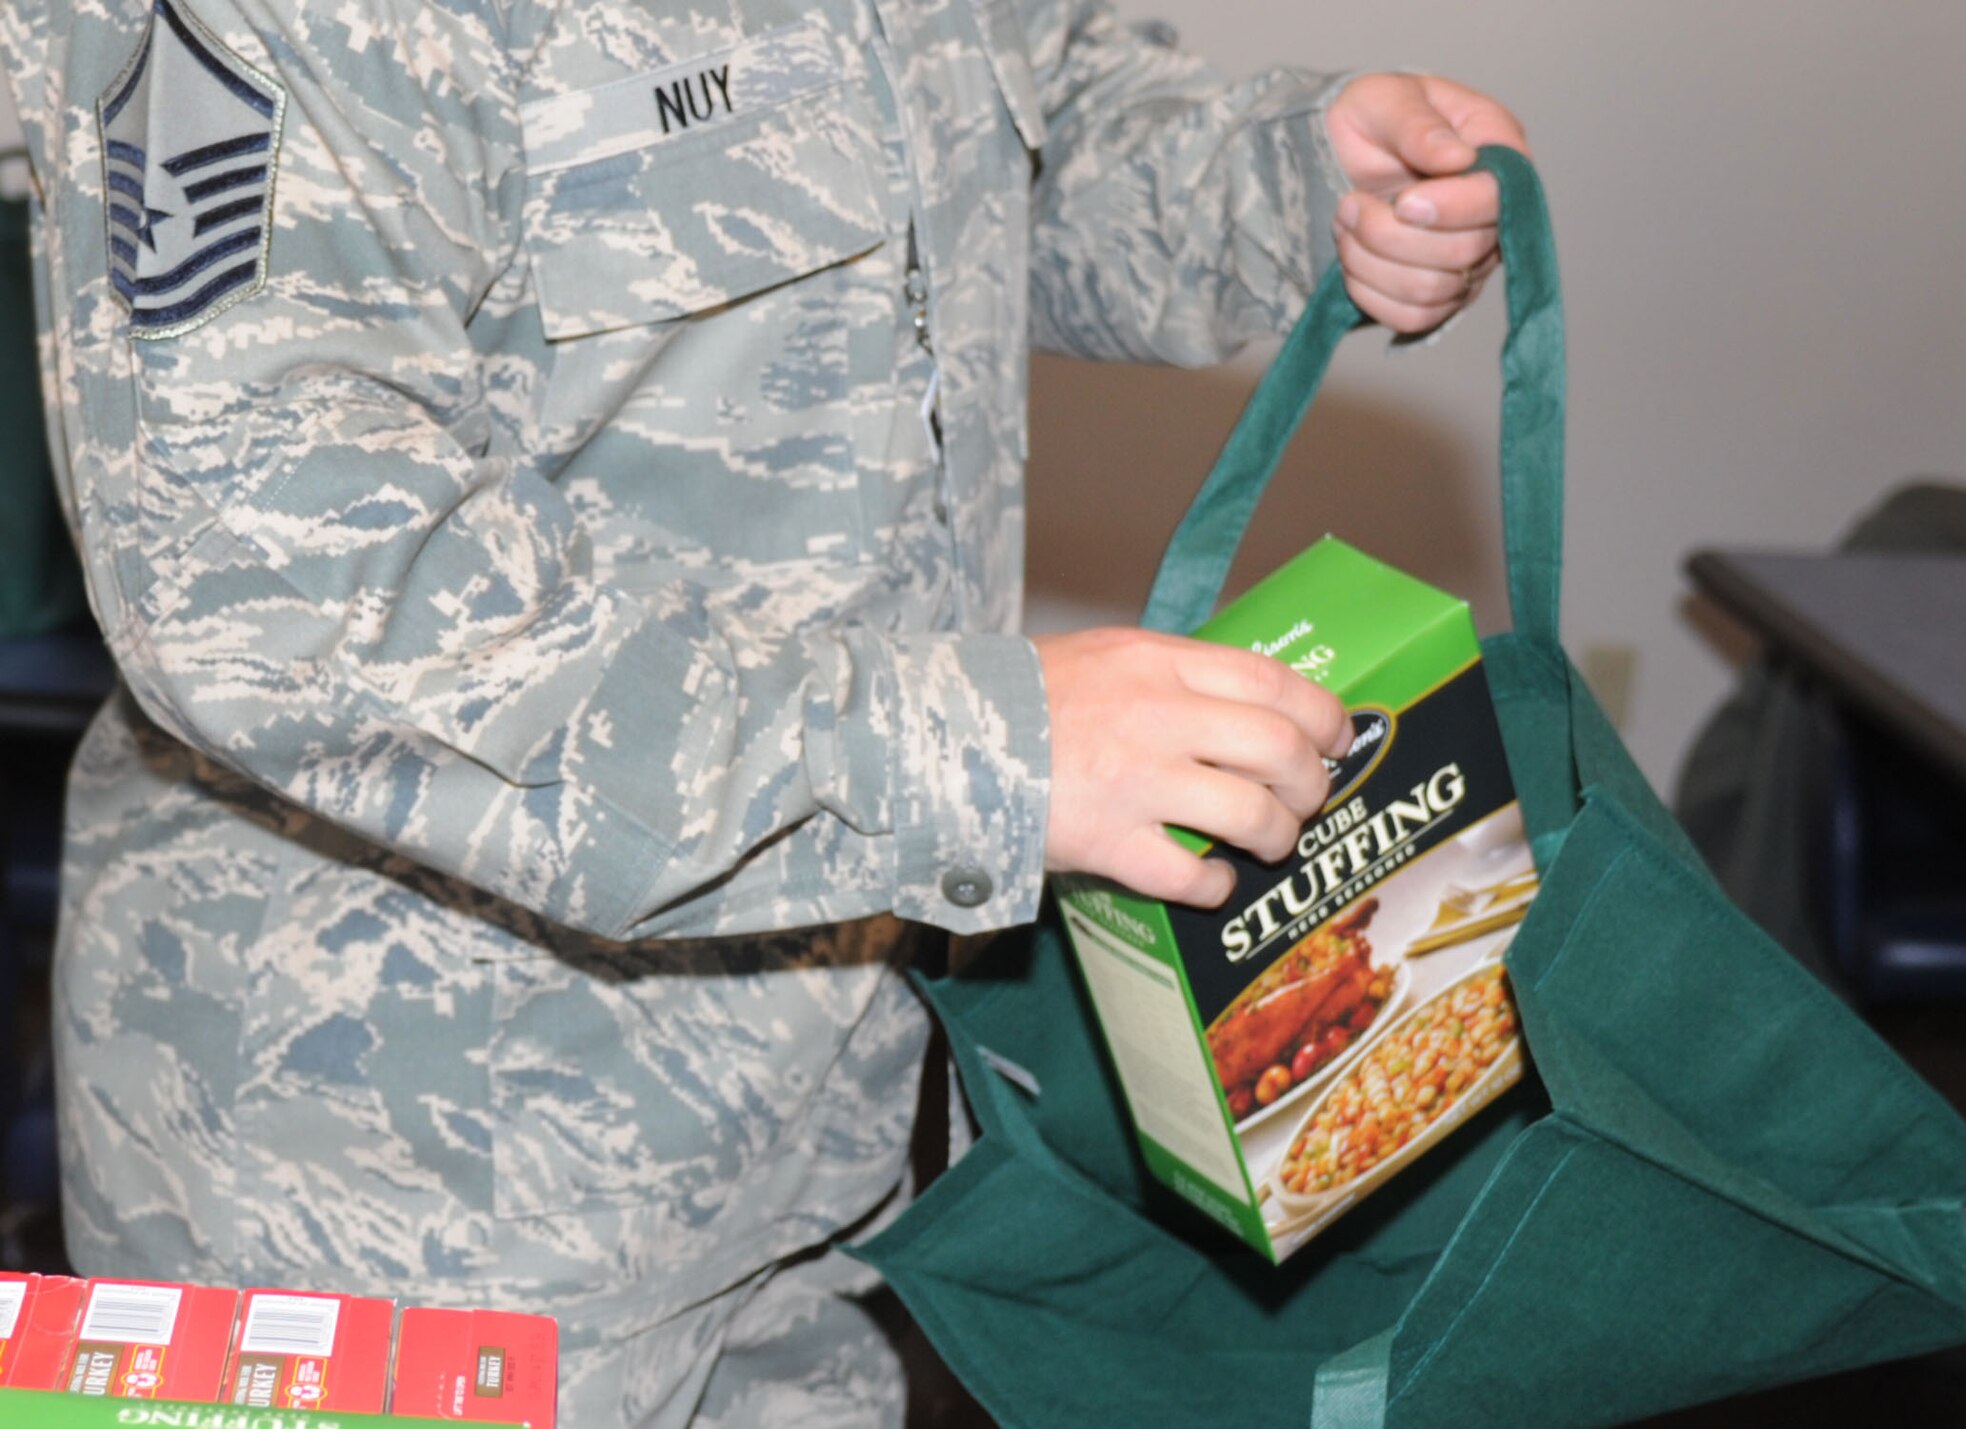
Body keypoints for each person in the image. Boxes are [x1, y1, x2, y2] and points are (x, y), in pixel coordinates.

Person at [0, 0, 1523, 1420]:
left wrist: (1283, 179)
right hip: (403, 1195)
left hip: (832, 1128)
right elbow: (285, 582)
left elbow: (1007, 127)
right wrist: (981, 750)